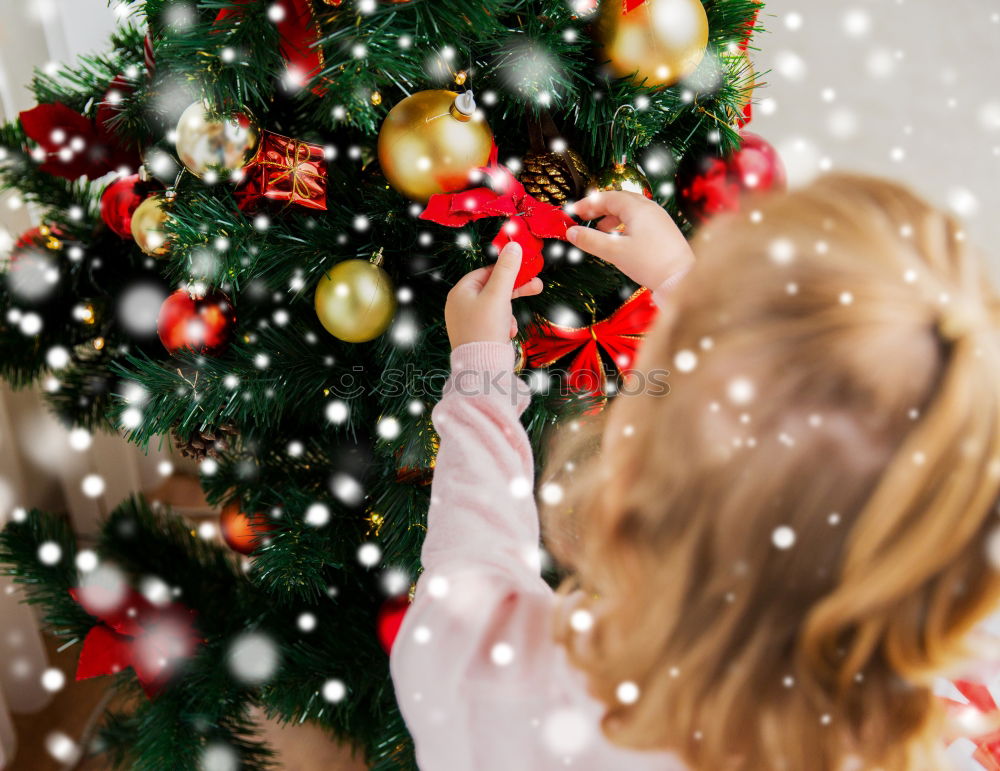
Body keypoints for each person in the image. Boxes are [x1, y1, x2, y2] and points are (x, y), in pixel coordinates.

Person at [390, 174, 1000, 771]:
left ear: (641, 476)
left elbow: (466, 582)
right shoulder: (963, 688)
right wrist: (685, 283)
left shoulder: (528, 690)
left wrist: (481, 379)